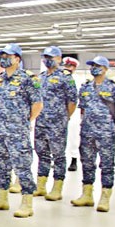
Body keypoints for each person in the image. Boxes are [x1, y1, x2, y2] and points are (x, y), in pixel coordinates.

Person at [0, 43, 43, 218]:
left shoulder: (28, 79)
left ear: (17, 59)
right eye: (2, 56)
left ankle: (27, 202)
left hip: (17, 131)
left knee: (22, 165)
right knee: (0, 165)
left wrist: (24, 121)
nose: (4, 59)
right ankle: (2, 198)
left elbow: (37, 104)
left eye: (7, 56)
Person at [72, 56, 115, 212]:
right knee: (87, 163)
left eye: (97, 66)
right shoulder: (85, 87)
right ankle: (87, 194)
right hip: (87, 132)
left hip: (106, 133)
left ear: (105, 69)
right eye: (92, 65)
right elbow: (83, 109)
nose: (93, 68)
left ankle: (105, 197)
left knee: (107, 164)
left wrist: (113, 128)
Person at [35, 46, 77, 201]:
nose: (47, 60)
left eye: (51, 57)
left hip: (57, 123)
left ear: (59, 59)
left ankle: (57, 188)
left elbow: (72, 101)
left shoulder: (65, 77)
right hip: (41, 122)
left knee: (58, 156)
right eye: (45, 57)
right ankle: (41, 186)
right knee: (42, 154)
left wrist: (65, 118)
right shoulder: (41, 77)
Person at [62, 57, 82, 173]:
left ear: (74, 68)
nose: (67, 68)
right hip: (60, 111)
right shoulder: (59, 78)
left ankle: (74, 160)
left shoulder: (78, 80)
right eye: (66, 65)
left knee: (73, 136)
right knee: (59, 138)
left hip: (74, 112)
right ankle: (59, 160)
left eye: (70, 66)